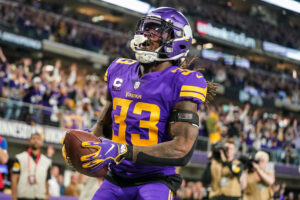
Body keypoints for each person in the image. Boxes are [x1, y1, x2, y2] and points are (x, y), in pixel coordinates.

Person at [62, 7, 217, 200]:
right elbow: (104, 125)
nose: (147, 36)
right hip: (116, 177)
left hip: (155, 180)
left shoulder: (183, 81)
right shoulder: (120, 70)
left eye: (156, 31)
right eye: (146, 29)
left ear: (176, 41)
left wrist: (122, 150)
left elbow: (182, 149)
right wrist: (86, 144)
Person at [11, 133, 51, 200]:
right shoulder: (19, 158)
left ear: (41, 143)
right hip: (23, 197)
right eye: (33, 138)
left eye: (38, 139)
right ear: (29, 142)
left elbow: (46, 180)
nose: (36, 140)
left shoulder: (47, 161)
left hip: (40, 197)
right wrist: (14, 196)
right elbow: (14, 178)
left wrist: (47, 194)